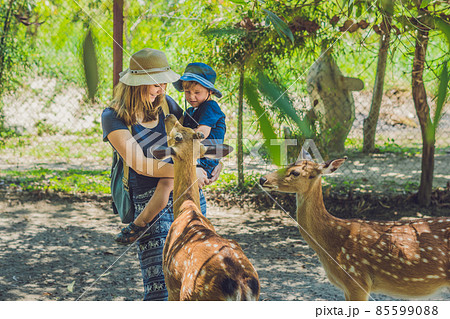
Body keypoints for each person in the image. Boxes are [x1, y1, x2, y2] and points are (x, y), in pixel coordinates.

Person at [101, 49, 220, 301]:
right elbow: (140, 164)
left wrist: (215, 164)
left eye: (164, 82)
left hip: (187, 193)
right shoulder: (113, 116)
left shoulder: (167, 105)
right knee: (162, 286)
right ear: (137, 84)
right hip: (148, 195)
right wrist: (188, 169)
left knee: (194, 278)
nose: (162, 88)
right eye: (156, 84)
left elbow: (193, 142)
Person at [115, 62, 226, 244]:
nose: (191, 96)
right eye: (187, 92)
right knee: (167, 183)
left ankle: (141, 223)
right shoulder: (191, 110)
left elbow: (202, 133)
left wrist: (192, 163)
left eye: (197, 92)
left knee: (166, 183)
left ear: (210, 92)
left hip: (202, 157)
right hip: (193, 155)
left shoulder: (210, 108)